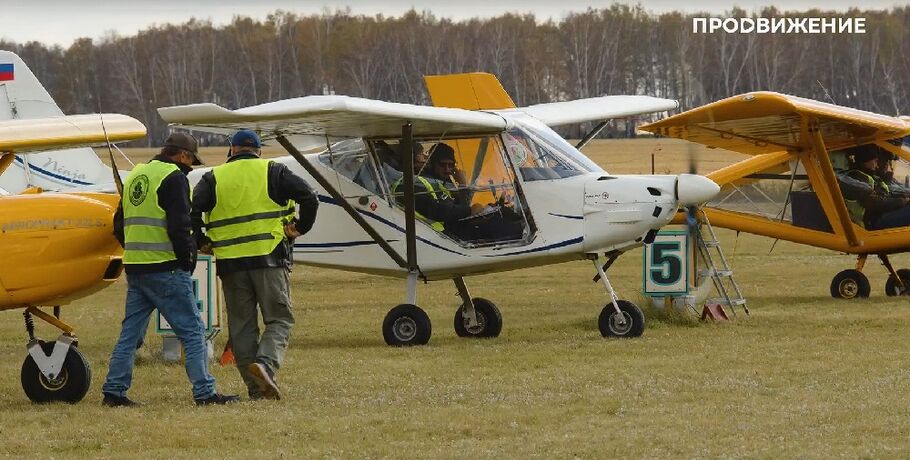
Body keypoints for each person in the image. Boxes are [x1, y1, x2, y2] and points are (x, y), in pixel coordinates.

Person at [103, 132, 239, 407]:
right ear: (183, 156)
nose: (189, 169)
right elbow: (180, 226)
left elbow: (119, 224)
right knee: (192, 331)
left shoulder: (136, 176)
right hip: (166, 269)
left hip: (137, 268)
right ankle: (205, 392)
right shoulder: (174, 178)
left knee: (130, 336)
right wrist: (188, 260)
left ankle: (114, 391)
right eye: (190, 164)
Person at [192, 129, 319, 401]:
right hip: (269, 257)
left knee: (242, 327)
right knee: (280, 318)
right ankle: (266, 365)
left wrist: (201, 240)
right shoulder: (273, 171)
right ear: (259, 151)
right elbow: (309, 196)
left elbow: (190, 210)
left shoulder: (213, 177)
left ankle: (256, 389)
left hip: (230, 263)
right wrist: (299, 228)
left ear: (232, 150)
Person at [841, 145, 910, 229]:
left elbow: (887, 194)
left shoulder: (872, 177)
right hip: (871, 222)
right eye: (875, 161)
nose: (877, 165)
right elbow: (874, 203)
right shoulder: (857, 176)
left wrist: (904, 197)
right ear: (865, 161)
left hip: (879, 216)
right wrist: (901, 201)